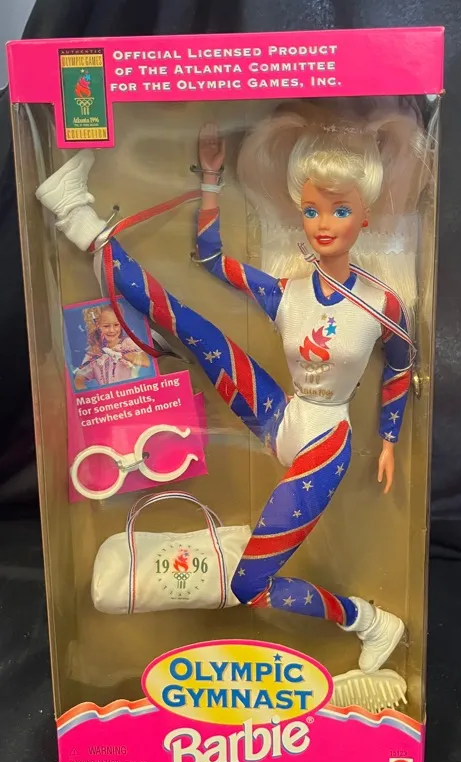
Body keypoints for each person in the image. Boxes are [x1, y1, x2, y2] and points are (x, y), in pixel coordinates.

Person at [36, 105, 426, 674]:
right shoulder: (286, 293)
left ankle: (368, 620)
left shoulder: (380, 304)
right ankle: (78, 215)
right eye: (312, 210)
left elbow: (400, 366)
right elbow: (213, 259)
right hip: (284, 415)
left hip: (324, 446)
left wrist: (388, 438)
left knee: (249, 586)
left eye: (340, 210)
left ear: (364, 217)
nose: (324, 224)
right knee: (192, 327)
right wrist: (212, 180)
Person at [73, 304, 150, 390]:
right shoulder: (94, 352)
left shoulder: (127, 343)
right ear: (97, 326)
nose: (112, 330)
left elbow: (146, 362)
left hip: (131, 391)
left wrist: (128, 356)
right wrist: (83, 389)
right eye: (106, 326)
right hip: (109, 396)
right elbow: (79, 377)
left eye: (116, 325)